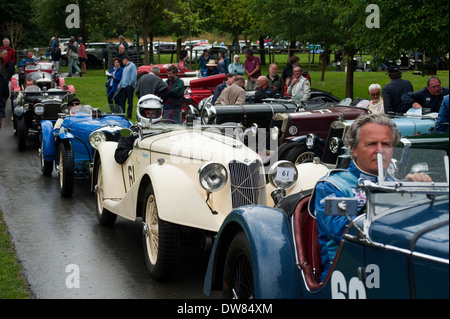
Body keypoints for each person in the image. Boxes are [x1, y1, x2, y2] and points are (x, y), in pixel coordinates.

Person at [309, 113, 431, 282]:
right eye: (372, 144)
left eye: (386, 144)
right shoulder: (332, 186)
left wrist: (423, 197)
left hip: (396, 267)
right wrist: (394, 199)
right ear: (354, 149)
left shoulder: (399, 184)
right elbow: (344, 230)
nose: (380, 150)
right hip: (348, 276)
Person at [114, 94, 163, 164]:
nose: (151, 116)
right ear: (141, 112)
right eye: (148, 113)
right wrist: (133, 152)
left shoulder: (164, 131)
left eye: (154, 113)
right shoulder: (133, 132)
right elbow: (119, 156)